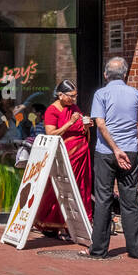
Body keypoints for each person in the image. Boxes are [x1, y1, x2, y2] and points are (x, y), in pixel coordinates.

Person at [82, 57, 138, 259]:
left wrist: (115, 149)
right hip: (130, 151)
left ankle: (99, 250)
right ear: (125, 74)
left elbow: (100, 124)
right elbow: (136, 118)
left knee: (103, 199)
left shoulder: (101, 93)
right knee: (130, 199)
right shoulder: (134, 93)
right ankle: (136, 250)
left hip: (106, 152)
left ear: (105, 75)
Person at [35, 80, 92, 237]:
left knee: (80, 188)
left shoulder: (74, 108)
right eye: (71, 96)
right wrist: (70, 123)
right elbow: (51, 134)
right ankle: (55, 223)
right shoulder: (52, 111)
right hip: (65, 154)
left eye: (75, 96)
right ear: (60, 95)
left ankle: (76, 225)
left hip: (81, 154)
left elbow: (80, 127)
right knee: (60, 189)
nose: (73, 100)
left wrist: (86, 125)